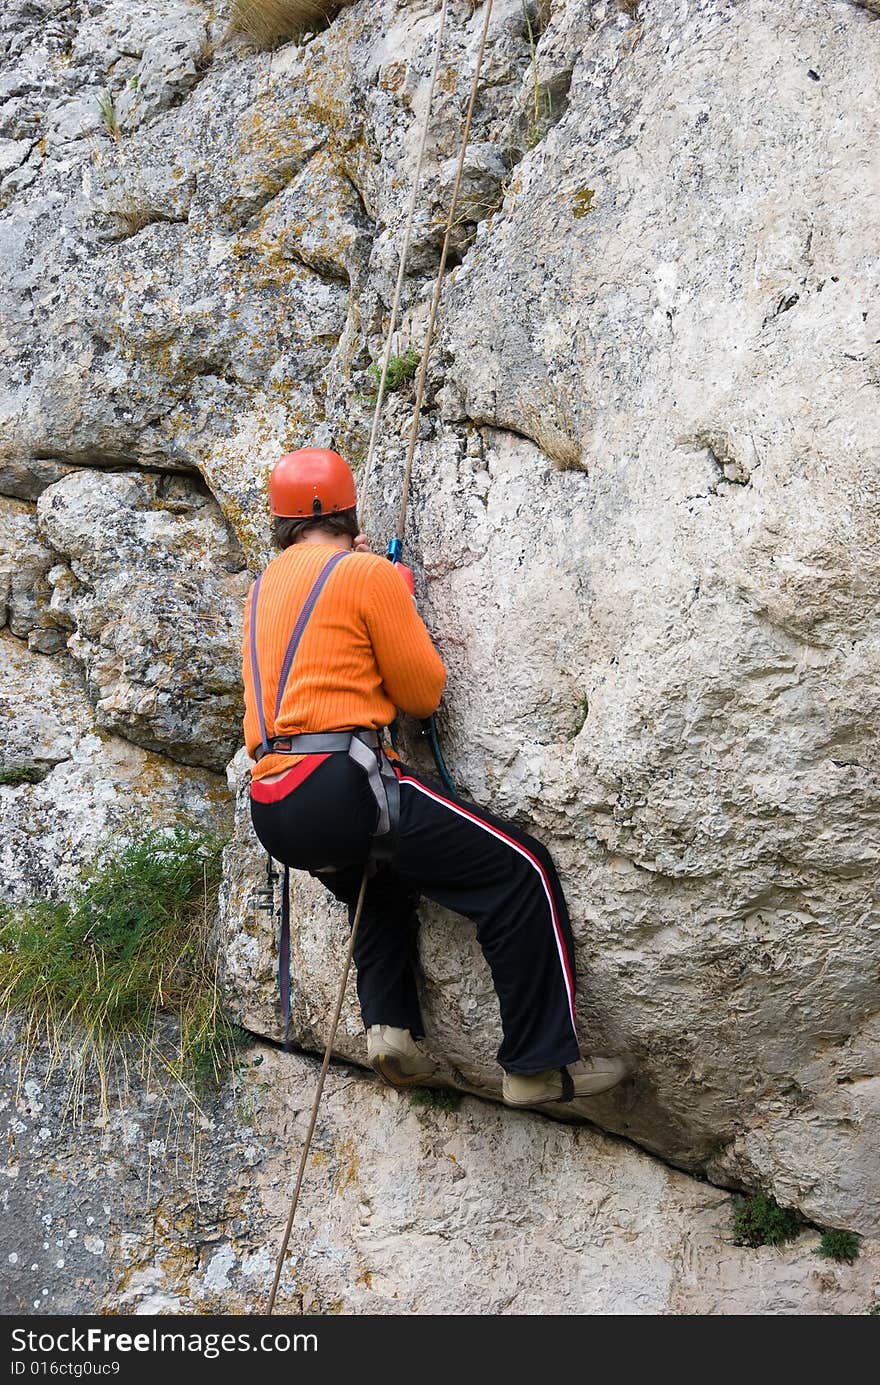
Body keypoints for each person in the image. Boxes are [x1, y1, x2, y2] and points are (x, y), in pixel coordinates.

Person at [242, 447, 626, 1107]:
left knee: (377, 881)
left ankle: (390, 1028)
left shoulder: (262, 589)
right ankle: (537, 1064)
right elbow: (422, 693)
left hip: (275, 803)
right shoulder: (366, 573)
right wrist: (397, 595)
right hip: (343, 780)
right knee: (519, 871)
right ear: (348, 509)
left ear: (281, 523)